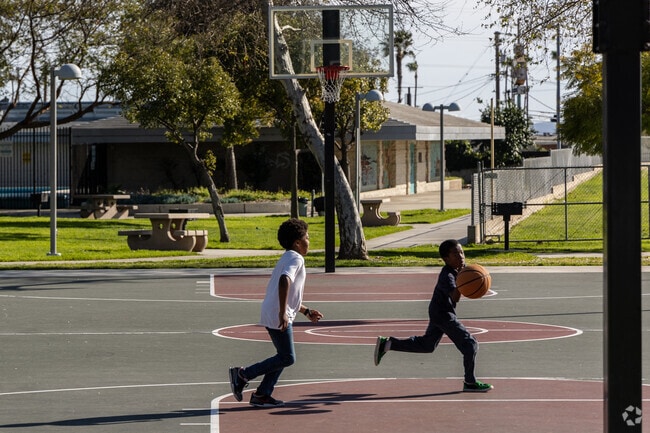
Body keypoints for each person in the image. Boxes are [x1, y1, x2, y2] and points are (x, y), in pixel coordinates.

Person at [373, 239, 493, 392]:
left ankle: (388, 344)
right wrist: (463, 281)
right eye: (455, 254)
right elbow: (455, 297)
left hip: (439, 312)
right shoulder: (447, 275)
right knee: (470, 344)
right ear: (446, 259)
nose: (461, 257)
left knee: (428, 345)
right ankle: (470, 382)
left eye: (462, 252)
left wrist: (463, 276)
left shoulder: (456, 272)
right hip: (443, 314)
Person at [229, 218, 323, 408]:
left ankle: (262, 394)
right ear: (297, 242)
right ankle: (243, 374)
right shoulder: (296, 258)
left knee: (282, 355)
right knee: (287, 357)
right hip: (277, 313)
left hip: (273, 311)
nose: (309, 241)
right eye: (307, 237)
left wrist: (306, 311)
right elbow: (284, 281)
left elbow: (290, 293)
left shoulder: (288, 256)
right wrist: (283, 313)